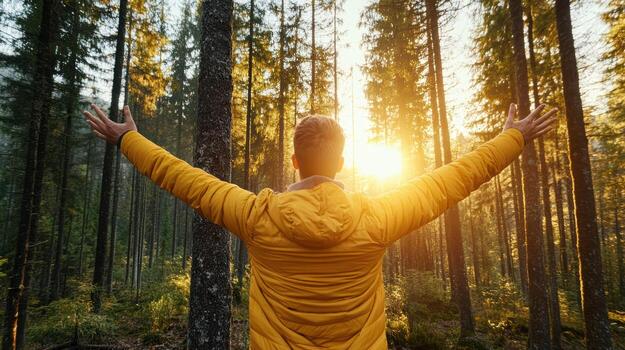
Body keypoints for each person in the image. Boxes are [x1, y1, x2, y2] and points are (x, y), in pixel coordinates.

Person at [84, 102, 556, 349]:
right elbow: (450, 182)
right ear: (341, 162)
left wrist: (130, 141)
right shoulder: (375, 218)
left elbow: (190, 182)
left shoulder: (257, 217)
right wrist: (513, 138)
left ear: (294, 161)